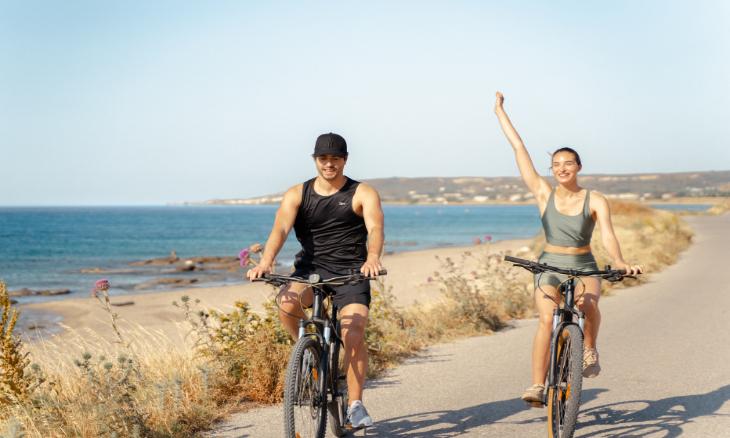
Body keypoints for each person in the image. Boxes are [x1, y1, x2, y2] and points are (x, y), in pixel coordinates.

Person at [493, 92, 642, 404]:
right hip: (549, 266)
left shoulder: (595, 199)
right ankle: (537, 385)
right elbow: (519, 148)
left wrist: (619, 261)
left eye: (568, 163)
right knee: (547, 319)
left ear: (579, 166)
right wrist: (499, 112)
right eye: (556, 164)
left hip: (584, 265)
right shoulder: (543, 193)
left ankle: (589, 348)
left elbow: (608, 235)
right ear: (551, 170)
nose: (561, 168)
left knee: (588, 306)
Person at [247, 132, 385, 427]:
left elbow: (375, 228)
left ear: (344, 160)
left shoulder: (362, 193)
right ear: (315, 160)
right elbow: (280, 229)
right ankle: (308, 353)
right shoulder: (297, 194)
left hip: (351, 272)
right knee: (286, 303)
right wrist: (266, 262)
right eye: (323, 158)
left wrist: (372, 257)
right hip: (311, 269)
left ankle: (356, 405)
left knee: (353, 330)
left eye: (335, 158)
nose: (329, 164)